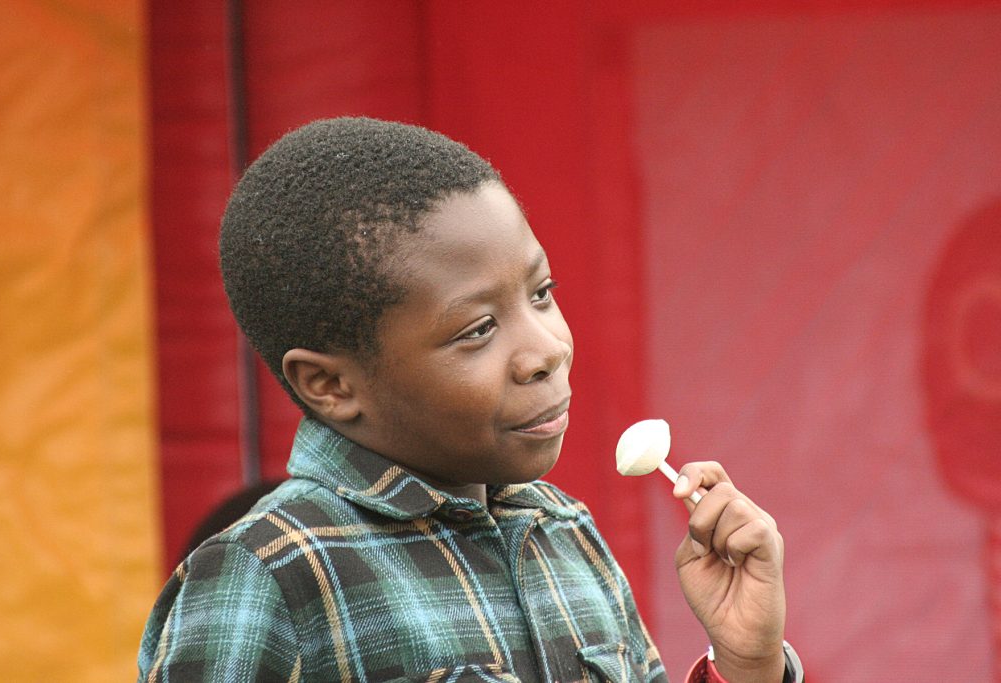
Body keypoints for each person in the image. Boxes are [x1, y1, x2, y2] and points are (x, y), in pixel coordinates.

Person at [138, 117, 802, 682]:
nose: (546, 348)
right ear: (332, 385)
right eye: (477, 329)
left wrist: (747, 661)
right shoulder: (270, 574)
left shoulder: (565, 533)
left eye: (541, 292)